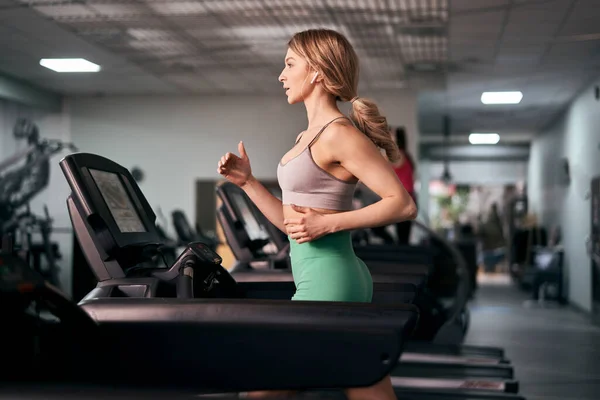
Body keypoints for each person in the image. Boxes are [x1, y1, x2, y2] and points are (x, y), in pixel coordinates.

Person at [217, 28, 417, 400]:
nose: (281, 74)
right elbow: (291, 225)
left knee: (262, 393)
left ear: (317, 72)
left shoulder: (339, 134)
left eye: (290, 63)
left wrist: (329, 222)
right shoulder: (306, 136)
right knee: (361, 383)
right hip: (329, 278)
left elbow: (401, 203)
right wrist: (247, 182)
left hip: (330, 282)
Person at [391, 127, 417, 244]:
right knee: (403, 237)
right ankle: (394, 246)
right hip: (407, 198)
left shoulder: (397, 155)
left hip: (404, 199)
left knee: (403, 238)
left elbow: (380, 164)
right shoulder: (407, 156)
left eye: (391, 135)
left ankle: (394, 247)